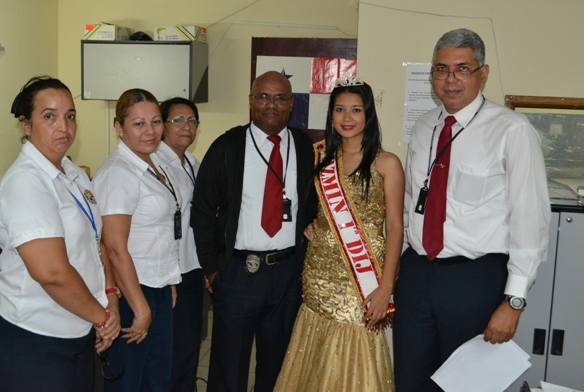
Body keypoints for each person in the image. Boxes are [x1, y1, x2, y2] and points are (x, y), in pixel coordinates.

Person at [394, 28, 551, 392]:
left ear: (484, 73)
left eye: (462, 69)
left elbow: (530, 220)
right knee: (410, 381)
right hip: (417, 275)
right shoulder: (424, 126)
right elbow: (410, 204)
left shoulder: (512, 129)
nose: (450, 80)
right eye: (442, 69)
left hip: (474, 281)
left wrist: (513, 301)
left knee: (466, 386)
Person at [0, 76, 120, 392]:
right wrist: (102, 317)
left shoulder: (73, 174)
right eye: (49, 116)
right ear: (26, 125)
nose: (64, 127)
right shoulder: (26, 182)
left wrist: (110, 297)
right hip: (34, 340)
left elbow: (95, 243)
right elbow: (52, 273)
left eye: (70, 116)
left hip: (78, 328)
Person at [273, 76, 403, 392]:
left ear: (368, 114)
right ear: (331, 115)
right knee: (314, 354)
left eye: (356, 109)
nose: (347, 118)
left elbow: (396, 227)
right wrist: (312, 224)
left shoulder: (387, 163)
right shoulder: (320, 157)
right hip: (318, 273)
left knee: (353, 352)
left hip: (361, 278)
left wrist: (386, 287)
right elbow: (313, 209)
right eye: (339, 109)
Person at [192, 71, 317, 392]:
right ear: (251, 101)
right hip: (238, 274)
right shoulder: (228, 146)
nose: (271, 105)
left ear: (291, 104)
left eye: (279, 98)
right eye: (263, 97)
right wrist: (212, 269)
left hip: (287, 274)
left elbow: (314, 204)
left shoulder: (305, 147)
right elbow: (202, 210)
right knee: (229, 366)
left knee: (278, 366)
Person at [93, 88, 181, 392]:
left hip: (156, 285)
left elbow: (157, 230)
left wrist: (168, 278)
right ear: (119, 127)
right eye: (139, 124)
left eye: (156, 122)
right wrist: (140, 308)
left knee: (156, 380)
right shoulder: (118, 173)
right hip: (132, 291)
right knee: (130, 382)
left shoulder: (152, 163)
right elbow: (114, 248)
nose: (150, 131)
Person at [154, 97, 204, 392]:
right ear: (163, 125)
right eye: (178, 120)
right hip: (170, 272)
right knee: (175, 348)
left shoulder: (193, 164)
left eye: (192, 120)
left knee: (191, 343)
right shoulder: (156, 164)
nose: (187, 126)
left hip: (192, 266)